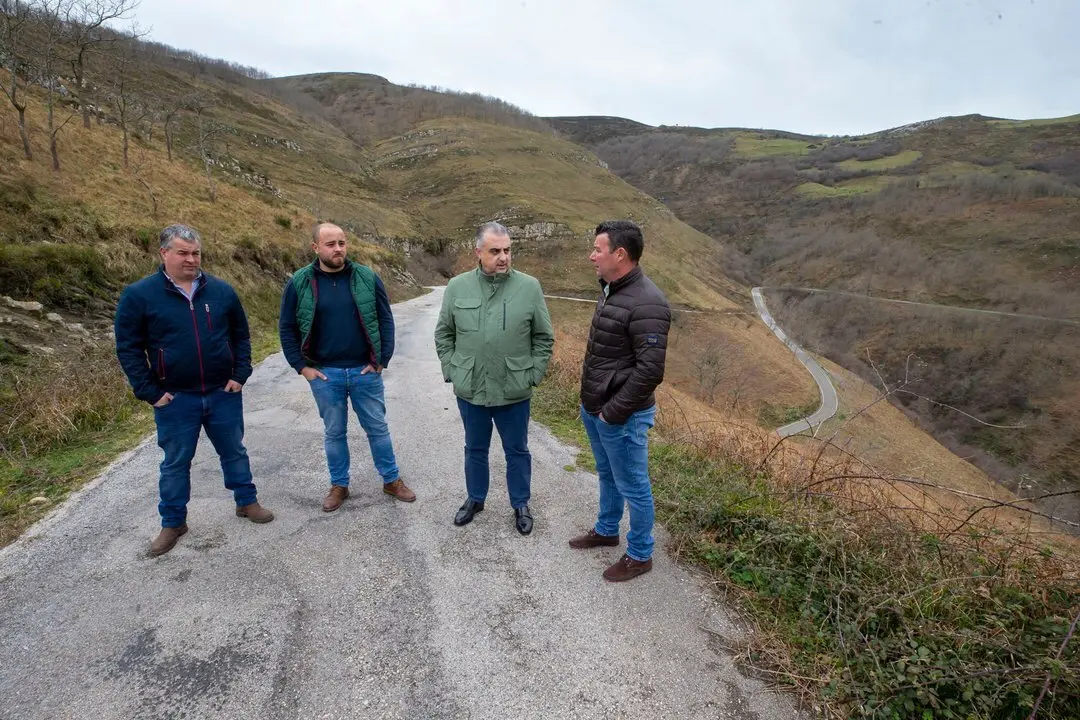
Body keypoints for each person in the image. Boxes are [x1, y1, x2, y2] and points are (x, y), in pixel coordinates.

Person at [115, 224, 274, 557]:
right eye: (183, 253)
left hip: (222, 393)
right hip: (175, 398)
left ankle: (246, 501)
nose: (191, 259)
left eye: (196, 253)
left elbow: (241, 336)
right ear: (164, 253)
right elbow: (128, 348)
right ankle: (173, 522)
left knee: (234, 450)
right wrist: (150, 391)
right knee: (175, 462)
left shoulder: (221, 291)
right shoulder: (139, 295)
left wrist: (240, 374)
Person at [279, 222, 415, 512]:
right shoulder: (300, 282)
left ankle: (391, 480)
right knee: (334, 432)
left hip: (365, 372)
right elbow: (287, 327)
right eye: (330, 244)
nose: (338, 249)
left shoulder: (366, 277)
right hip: (325, 375)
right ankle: (339, 485)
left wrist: (381, 361)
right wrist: (302, 367)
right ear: (315, 247)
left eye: (341, 243)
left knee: (377, 428)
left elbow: (385, 319)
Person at [434, 221, 554, 534]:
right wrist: (452, 369)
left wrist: (532, 374)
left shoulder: (529, 287)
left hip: (514, 389)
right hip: (471, 388)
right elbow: (444, 333)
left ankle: (520, 504)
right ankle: (475, 498)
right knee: (474, 448)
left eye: (507, 250)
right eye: (495, 251)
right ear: (478, 252)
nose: (503, 257)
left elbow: (543, 337)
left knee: (517, 450)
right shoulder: (457, 287)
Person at [570, 220, 670, 582]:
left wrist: (612, 413)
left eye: (598, 250)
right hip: (597, 407)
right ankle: (606, 529)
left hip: (622, 415)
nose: (591, 256)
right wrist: (595, 406)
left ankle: (640, 554)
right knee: (608, 473)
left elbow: (650, 371)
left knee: (634, 484)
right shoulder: (612, 289)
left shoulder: (648, 302)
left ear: (620, 254)